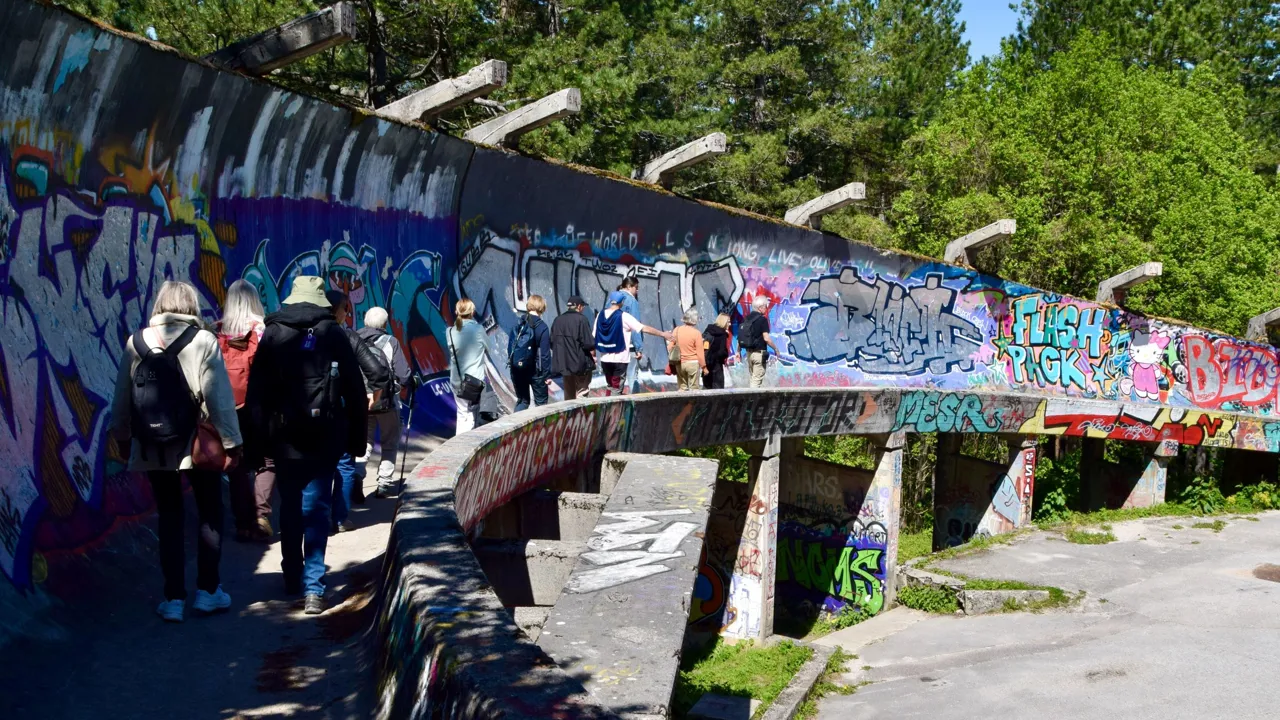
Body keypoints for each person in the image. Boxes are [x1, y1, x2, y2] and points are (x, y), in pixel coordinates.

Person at [110, 280, 243, 623]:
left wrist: (122, 438)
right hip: (197, 445)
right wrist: (232, 443)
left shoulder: (137, 342)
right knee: (209, 511)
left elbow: (122, 398)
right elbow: (219, 399)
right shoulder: (203, 340)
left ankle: (172, 599)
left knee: (169, 516)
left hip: (152, 446)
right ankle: (208, 591)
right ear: (191, 305)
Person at [244, 276, 367, 615]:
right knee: (317, 508)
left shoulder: (273, 333)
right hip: (325, 436)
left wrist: (255, 445)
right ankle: (314, 588)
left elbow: (257, 395)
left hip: (284, 439)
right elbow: (355, 389)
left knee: (290, 505)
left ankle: (291, 574)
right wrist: (357, 440)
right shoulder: (333, 333)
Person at [325, 290, 392, 534]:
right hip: (342, 409)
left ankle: (318, 518)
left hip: (310, 412)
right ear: (339, 311)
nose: (348, 313)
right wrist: (375, 395)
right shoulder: (347, 337)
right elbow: (378, 372)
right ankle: (340, 518)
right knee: (344, 464)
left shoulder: (304, 334)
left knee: (320, 466)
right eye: (346, 308)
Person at [217, 279, 274, 543]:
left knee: (236, 463)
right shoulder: (262, 330)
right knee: (267, 460)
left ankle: (242, 524)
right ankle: (261, 515)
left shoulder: (217, 332)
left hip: (226, 407)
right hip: (259, 405)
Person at [357, 307, 410, 498]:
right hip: (387, 401)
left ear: (365, 322)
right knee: (389, 442)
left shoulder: (354, 339)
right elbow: (404, 375)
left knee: (364, 442)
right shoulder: (390, 342)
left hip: (361, 401)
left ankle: (357, 476)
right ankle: (384, 484)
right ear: (385, 324)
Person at [594, 291, 669, 395]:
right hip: (620, 359)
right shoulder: (624, 316)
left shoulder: (600, 315)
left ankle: (608, 404)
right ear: (622, 302)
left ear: (611, 301)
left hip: (604, 358)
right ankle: (614, 406)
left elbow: (594, 334)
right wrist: (662, 334)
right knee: (616, 388)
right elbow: (643, 328)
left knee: (610, 386)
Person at [449, 299, 490, 434]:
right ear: (472, 312)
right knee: (472, 416)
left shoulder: (450, 331)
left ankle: (459, 441)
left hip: (457, 380)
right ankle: (467, 443)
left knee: (462, 414)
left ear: (457, 312)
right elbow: (489, 348)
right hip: (474, 381)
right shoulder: (478, 330)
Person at [508, 294, 553, 411]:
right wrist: (547, 375)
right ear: (542, 307)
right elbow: (545, 354)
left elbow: (511, 346)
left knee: (522, 401)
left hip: (517, 369)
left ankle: (516, 422)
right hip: (536, 372)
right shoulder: (542, 327)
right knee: (541, 405)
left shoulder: (519, 323)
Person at [551, 295, 596, 401]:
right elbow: (589, 343)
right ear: (579, 306)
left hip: (564, 365)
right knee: (582, 394)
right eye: (583, 306)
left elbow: (552, 342)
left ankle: (571, 412)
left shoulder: (557, 320)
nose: (583, 309)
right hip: (580, 365)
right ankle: (580, 411)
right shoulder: (581, 320)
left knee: (569, 396)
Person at [740, 295, 780, 388]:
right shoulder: (762, 320)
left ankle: (751, 396)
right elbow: (766, 338)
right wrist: (776, 349)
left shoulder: (747, 319)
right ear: (760, 307)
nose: (766, 308)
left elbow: (741, 336)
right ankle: (751, 397)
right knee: (756, 381)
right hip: (759, 354)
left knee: (753, 378)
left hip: (749, 353)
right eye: (765, 306)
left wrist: (738, 351)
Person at [669, 308, 708, 391]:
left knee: (682, 388)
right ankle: (692, 400)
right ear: (694, 319)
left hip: (679, 363)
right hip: (693, 363)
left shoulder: (677, 330)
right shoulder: (696, 333)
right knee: (694, 389)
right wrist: (704, 367)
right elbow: (700, 353)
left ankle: (683, 399)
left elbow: (670, 347)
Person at [618, 277, 643, 394]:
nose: (637, 291)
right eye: (636, 288)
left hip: (613, 346)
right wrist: (638, 348)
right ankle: (634, 403)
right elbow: (635, 326)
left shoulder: (612, 300)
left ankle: (616, 402)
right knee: (632, 376)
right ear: (628, 286)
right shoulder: (632, 301)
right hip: (629, 346)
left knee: (616, 378)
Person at [702, 313, 732, 389]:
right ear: (723, 322)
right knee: (718, 388)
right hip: (717, 364)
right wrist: (726, 354)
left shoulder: (709, 330)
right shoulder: (722, 334)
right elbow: (722, 352)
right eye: (728, 322)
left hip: (706, 362)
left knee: (707, 387)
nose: (730, 324)